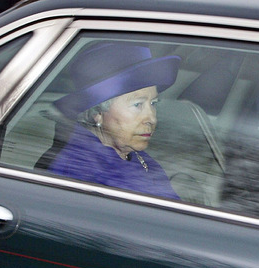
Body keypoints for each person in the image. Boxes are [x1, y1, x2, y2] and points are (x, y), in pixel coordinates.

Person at [49, 42, 181, 199]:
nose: (151, 118)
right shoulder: (80, 170)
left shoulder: (138, 158)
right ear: (98, 112)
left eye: (153, 104)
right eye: (137, 104)